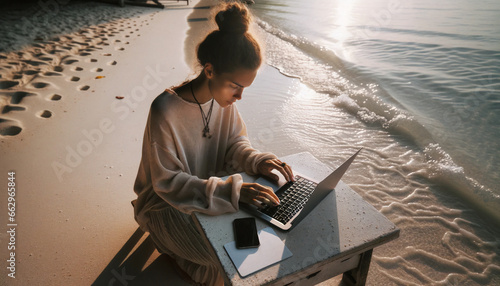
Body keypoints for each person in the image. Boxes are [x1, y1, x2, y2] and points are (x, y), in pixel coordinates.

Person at [132, 2, 294, 285]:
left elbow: (234, 143)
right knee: (226, 260)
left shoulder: (224, 101)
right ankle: (173, 250)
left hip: (207, 193)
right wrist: (234, 191)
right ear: (209, 70)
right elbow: (168, 183)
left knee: (254, 246)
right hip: (164, 205)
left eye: (245, 88)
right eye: (236, 86)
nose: (240, 96)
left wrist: (257, 160)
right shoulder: (165, 109)